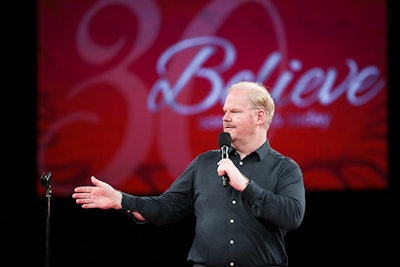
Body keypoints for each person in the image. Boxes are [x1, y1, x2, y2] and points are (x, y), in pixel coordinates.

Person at [72, 81, 306, 267]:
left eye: (234, 111)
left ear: (259, 117)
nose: (225, 117)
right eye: (225, 111)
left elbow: (292, 216)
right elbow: (166, 208)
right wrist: (121, 200)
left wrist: (245, 185)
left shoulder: (285, 169)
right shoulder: (204, 164)